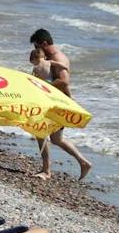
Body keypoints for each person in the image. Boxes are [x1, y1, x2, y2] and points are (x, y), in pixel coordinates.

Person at [28, 29, 92, 180]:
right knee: (55, 139)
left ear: (44, 43)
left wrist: (42, 85)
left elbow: (64, 81)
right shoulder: (50, 58)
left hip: (57, 103)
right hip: (54, 101)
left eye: (38, 46)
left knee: (40, 132)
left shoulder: (57, 57)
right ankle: (83, 162)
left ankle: (46, 170)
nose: (37, 50)